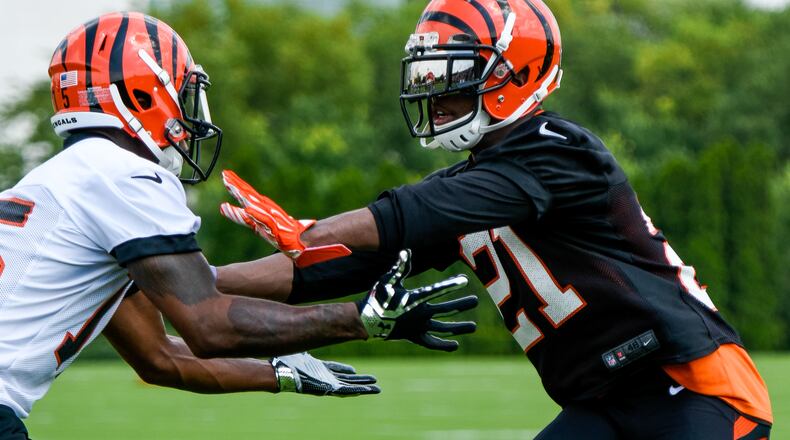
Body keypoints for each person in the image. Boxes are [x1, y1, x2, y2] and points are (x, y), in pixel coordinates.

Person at [215, 0, 773, 438]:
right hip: (603, 402)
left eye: (450, 77)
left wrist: (314, 230)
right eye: (429, 80)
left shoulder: (560, 148)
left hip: (693, 385)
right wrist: (190, 279)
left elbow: (411, 213)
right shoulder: (469, 186)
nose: (435, 99)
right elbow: (327, 265)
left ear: (515, 72)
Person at [0, 12, 478, 439]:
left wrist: (284, 373)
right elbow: (209, 325)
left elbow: (160, 357)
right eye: (182, 91)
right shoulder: (122, 175)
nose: (189, 113)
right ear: (143, 90)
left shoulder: (62, 183)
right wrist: (360, 319)